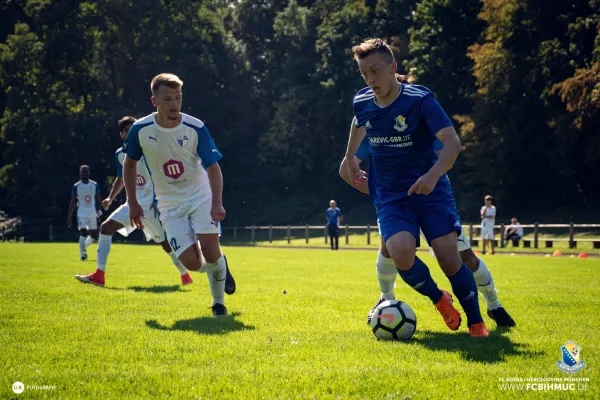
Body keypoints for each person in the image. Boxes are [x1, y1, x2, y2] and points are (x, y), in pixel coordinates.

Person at [344, 38, 489, 337]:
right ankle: (439, 299)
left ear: (392, 68)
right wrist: (350, 158)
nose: (371, 79)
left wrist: (433, 176)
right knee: (400, 254)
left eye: (376, 71)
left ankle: (477, 322)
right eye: (364, 73)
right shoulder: (362, 100)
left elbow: (453, 143)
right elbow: (358, 123)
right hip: (391, 196)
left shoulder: (420, 100)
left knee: (450, 259)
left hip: (431, 191)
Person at [340, 124, 515, 327]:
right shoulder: (375, 127)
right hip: (396, 206)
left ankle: (494, 305)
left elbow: (446, 154)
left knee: (465, 257)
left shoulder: (419, 119)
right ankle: (386, 297)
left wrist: (431, 178)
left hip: (432, 202)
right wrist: (380, 193)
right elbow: (346, 169)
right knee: (389, 248)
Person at [123, 73, 235, 317]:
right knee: (193, 264)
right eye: (167, 99)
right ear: (154, 101)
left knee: (210, 248)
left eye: (178, 98)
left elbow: (213, 167)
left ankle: (219, 304)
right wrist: (133, 203)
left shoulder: (196, 127)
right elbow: (129, 165)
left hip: (200, 197)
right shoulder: (140, 129)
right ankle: (220, 269)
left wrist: (217, 202)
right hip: (168, 204)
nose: (174, 104)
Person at [75, 116, 193, 288]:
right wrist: (110, 198)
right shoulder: (120, 155)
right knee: (105, 228)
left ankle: (184, 274)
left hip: (152, 206)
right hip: (132, 205)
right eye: (126, 131)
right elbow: (121, 178)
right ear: (122, 135)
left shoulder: (152, 151)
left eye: (133, 130)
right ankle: (99, 275)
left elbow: (165, 175)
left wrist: (159, 200)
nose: (130, 133)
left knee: (165, 242)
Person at [67, 165, 102, 260]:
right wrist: (69, 215)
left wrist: (99, 210)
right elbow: (73, 201)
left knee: (94, 234)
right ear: (80, 173)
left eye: (86, 172)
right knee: (82, 232)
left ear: (89, 172)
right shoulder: (76, 186)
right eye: (83, 172)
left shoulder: (94, 185)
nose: (84, 173)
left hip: (92, 213)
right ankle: (82, 255)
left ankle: (84, 247)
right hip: (81, 213)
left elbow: (98, 198)